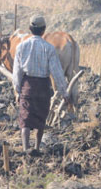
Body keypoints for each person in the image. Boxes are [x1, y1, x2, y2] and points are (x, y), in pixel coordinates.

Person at [12, 15, 70, 152]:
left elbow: (17, 72)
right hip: (44, 86)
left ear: (30, 29)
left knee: (25, 118)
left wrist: (17, 90)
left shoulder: (21, 47)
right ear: (44, 30)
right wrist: (64, 92)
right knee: (41, 118)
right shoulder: (48, 48)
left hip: (28, 85)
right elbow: (57, 72)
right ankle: (37, 148)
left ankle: (26, 148)